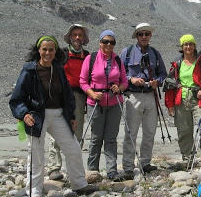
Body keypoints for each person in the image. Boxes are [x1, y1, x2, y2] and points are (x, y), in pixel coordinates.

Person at [9, 36, 93, 197]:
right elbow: (16, 98)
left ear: (56, 51)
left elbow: (67, 95)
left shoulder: (58, 68)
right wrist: (24, 114)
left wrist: (71, 115)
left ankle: (79, 184)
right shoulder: (29, 70)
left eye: (51, 49)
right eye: (44, 49)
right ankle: (34, 190)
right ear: (38, 50)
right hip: (36, 116)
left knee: (73, 148)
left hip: (58, 114)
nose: (48, 52)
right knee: (36, 153)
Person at [80, 30, 129, 181]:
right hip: (96, 102)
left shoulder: (118, 60)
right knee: (96, 138)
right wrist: (92, 94)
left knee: (111, 138)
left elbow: (124, 81)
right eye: (106, 41)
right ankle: (92, 171)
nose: (109, 44)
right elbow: (83, 81)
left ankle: (112, 171)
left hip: (114, 103)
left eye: (112, 42)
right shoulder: (91, 58)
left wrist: (119, 88)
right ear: (100, 42)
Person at [120, 23, 167, 178]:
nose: (144, 36)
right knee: (131, 131)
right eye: (141, 34)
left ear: (150, 36)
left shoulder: (155, 53)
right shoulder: (126, 53)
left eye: (147, 34)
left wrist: (157, 82)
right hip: (133, 96)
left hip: (150, 96)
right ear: (137, 36)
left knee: (149, 131)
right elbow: (119, 74)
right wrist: (131, 79)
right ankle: (128, 165)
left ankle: (145, 163)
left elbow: (162, 74)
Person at [46, 24, 90, 180]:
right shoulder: (62, 54)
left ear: (84, 38)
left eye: (80, 35)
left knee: (77, 132)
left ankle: (74, 168)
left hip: (79, 96)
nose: (77, 38)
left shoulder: (88, 56)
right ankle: (54, 168)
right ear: (70, 37)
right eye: (75, 35)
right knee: (56, 130)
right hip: (61, 95)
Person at [164, 35, 201, 162]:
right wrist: (170, 105)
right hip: (181, 100)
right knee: (184, 130)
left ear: (194, 46)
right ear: (181, 47)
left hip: (198, 100)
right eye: (185, 44)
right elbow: (170, 85)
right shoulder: (177, 64)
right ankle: (187, 158)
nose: (188, 47)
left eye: (191, 44)